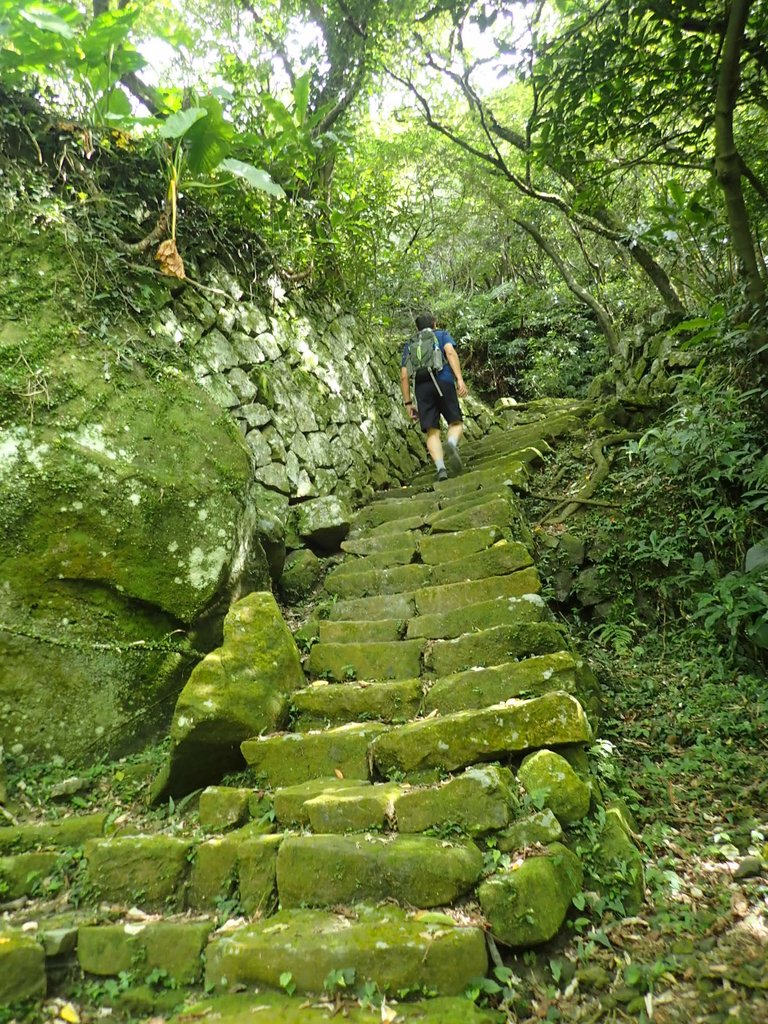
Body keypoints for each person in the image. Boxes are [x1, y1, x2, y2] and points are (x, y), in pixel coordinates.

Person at [401, 311, 469, 481]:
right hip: (443, 381)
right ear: (434, 324)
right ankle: (451, 444)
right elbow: (450, 352)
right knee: (455, 421)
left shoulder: (410, 344)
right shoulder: (441, 335)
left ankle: (441, 469)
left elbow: (404, 375)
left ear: (417, 328)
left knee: (432, 431)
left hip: (422, 388)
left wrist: (408, 403)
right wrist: (459, 379)